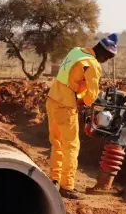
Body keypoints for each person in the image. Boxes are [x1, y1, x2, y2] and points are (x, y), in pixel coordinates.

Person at [47, 33, 118, 200]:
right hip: (66, 105)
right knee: (71, 146)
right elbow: (92, 95)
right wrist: (85, 101)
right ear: (102, 52)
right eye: (107, 57)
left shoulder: (76, 51)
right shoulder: (92, 65)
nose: (105, 61)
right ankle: (67, 186)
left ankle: (54, 179)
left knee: (57, 142)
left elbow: (71, 77)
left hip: (52, 99)